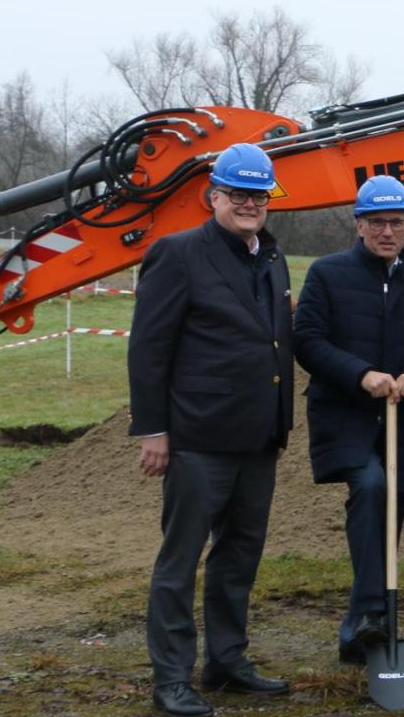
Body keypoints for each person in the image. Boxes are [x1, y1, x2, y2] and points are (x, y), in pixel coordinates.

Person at [128, 142, 295, 716]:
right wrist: (153, 429)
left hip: (258, 440)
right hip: (198, 439)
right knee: (181, 561)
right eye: (239, 193)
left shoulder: (271, 259)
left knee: (239, 558)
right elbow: (149, 348)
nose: (250, 204)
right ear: (214, 196)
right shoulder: (177, 255)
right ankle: (171, 677)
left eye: (260, 195)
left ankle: (226, 660)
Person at [294, 175, 404, 664]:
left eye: (396, 223)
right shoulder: (327, 273)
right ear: (358, 224)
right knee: (372, 486)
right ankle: (372, 612)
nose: (387, 231)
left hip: (400, 422)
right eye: (377, 222)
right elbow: (308, 341)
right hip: (344, 416)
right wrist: (361, 375)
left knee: (390, 510)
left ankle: (357, 630)